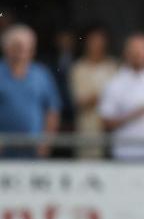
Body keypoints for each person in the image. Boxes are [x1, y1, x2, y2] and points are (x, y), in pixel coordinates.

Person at [0, 24, 61, 158]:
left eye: (27, 46)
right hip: (3, 151)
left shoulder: (42, 74)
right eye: (18, 46)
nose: (22, 50)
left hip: (34, 150)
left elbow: (52, 111)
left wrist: (46, 143)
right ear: (7, 48)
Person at [70, 24, 118, 159]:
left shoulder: (113, 66)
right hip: (88, 130)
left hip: (111, 130)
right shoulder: (78, 68)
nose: (96, 45)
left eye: (99, 41)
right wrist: (106, 95)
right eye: (92, 41)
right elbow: (80, 101)